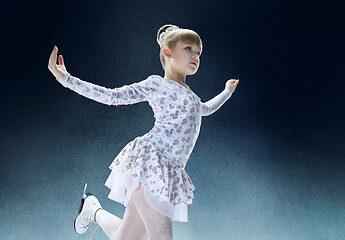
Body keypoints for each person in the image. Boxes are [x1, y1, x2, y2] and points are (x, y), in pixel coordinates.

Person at [48, 24, 239, 240]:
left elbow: (205, 109)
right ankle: (94, 210)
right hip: (151, 163)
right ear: (167, 52)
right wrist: (66, 79)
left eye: (198, 52)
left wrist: (226, 92)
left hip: (169, 171)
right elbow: (112, 96)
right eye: (188, 49)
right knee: (162, 236)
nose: (195, 56)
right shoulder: (156, 84)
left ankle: (93, 210)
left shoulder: (193, 98)